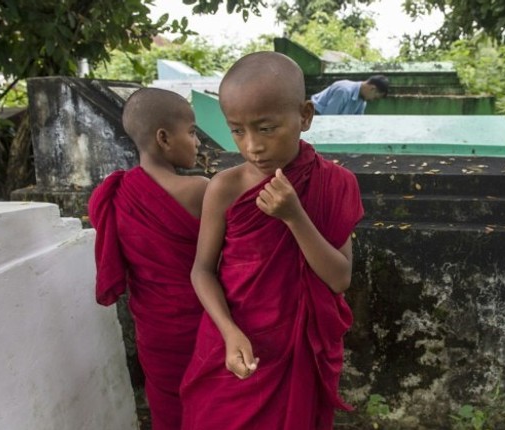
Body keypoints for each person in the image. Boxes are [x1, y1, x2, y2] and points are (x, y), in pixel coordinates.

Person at [180, 51, 364, 430]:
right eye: (237, 130)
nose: (252, 146)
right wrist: (228, 332)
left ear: (305, 116)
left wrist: (294, 216)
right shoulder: (224, 188)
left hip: (296, 351)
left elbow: (339, 278)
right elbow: (201, 271)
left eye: (266, 128)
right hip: (234, 343)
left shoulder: (335, 184)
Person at [87, 87, 209, 430]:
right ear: (164, 138)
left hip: (154, 330)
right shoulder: (199, 190)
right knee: (211, 403)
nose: (198, 142)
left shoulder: (114, 194)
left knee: (169, 406)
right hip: (202, 320)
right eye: (192, 132)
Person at [310, 75, 389, 115]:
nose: (372, 100)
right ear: (372, 88)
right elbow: (328, 119)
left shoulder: (362, 101)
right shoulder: (343, 90)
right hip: (314, 116)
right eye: (375, 97)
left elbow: (355, 124)